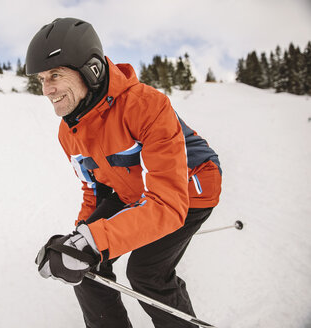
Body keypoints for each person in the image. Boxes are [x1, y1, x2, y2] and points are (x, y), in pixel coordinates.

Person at [27, 17, 222, 328]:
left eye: (55, 75)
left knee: (146, 274)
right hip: (134, 191)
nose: (47, 89)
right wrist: (78, 241)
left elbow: (169, 205)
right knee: (86, 268)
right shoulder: (69, 132)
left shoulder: (146, 106)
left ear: (90, 70)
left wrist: (94, 240)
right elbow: (94, 189)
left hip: (192, 187)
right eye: (41, 79)